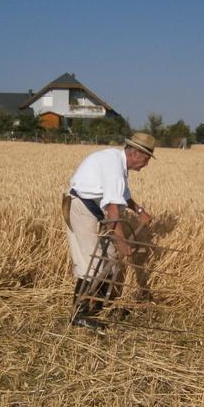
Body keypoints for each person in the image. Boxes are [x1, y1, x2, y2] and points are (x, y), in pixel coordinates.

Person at [62, 132, 155, 329]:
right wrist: (122, 242)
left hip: (93, 209)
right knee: (93, 261)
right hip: (81, 207)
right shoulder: (114, 168)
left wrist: (139, 211)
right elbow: (113, 210)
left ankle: (96, 305)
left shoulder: (119, 165)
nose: (146, 164)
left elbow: (124, 197)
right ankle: (79, 314)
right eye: (146, 159)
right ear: (135, 153)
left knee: (110, 259)